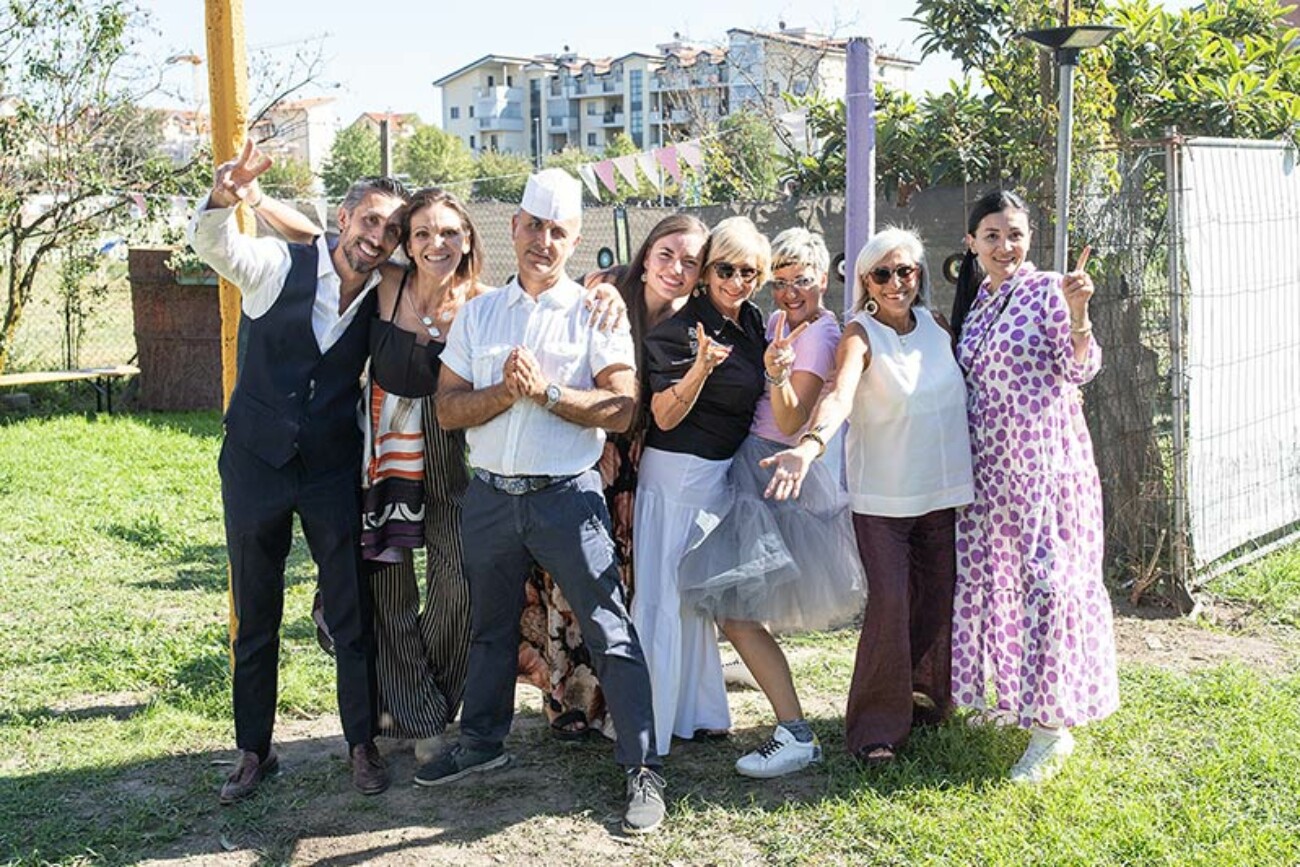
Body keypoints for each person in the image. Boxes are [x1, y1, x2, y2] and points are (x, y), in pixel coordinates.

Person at [419, 169, 666, 836]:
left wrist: (550, 394)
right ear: (515, 228)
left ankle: (642, 765)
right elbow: (446, 409)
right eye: (534, 226)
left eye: (559, 231)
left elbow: (620, 407)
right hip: (493, 496)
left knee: (610, 629)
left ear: (574, 239)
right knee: (490, 628)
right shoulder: (479, 313)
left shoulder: (594, 310)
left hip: (567, 497)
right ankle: (482, 744)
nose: (543, 240)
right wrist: (506, 392)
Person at [187, 138, 408, 803]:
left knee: (350, 611)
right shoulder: (277, 267)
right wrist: (228, 198)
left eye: (390, 228)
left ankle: (361, 742)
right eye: (369, 220)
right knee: (254, 612)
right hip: (254, 462)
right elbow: (216, 245)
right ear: (344, 219)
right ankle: (255, 750)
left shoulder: (386, 295)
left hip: (329, 467)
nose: (378, 236)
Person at [761, 227, 973, 765]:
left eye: (906, 271)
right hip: (883, 500)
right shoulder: (859, 334)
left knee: (936, 600)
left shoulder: (937, 326)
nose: (896, 282)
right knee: (891, 606)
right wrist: (808, 447)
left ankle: (926, 703)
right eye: (883, 273)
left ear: (919, 275)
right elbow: (838, 395)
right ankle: (875, 730)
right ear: (865, 282)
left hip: (941, 491)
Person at [676, 227, 865, 778]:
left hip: (774, 471)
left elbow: (788, 421)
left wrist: (779, 375)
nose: (788, 292)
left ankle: (795, 732)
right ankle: (743, 690)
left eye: (800, 280)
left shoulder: (821, 334)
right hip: (750, 464)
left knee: (735, 611)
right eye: (779, 281)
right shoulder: (782, 321)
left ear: (822, 280)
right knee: (734, 607)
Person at [517, 214, 709, 741]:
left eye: (690, 262)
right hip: (582, 449)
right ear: (646, 254)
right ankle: (566, 701)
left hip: (640, 462)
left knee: (618, 582)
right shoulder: (600, 292)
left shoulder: (692, 322)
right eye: (666, 253)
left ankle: (609, 700)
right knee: (567, 577)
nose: (675, 268)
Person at [948, 189, 1118, 783]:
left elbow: (1080, 367)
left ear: (1030, 238)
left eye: (1014, 234)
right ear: (972, 243)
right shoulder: (980, 301)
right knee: (1002, 585)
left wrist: (1080, 315)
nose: (1004, 246)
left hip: (1045, 470)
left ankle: (1052, 728)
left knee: (1048, 586)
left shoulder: (1049, 289)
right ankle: (1016, 703)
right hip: (991, 474)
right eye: (991, 235)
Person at [633, 216, 772, 754]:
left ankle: (695, 712)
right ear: (707, 272)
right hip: (676, 478)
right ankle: (652, 722)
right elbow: (664, 418)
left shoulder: (753, 322)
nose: (737, 281)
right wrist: (698, 371)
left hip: (720, 476)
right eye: (725, 269)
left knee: (698, 600)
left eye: (749, 272)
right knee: (665, 599)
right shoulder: (678, 332)